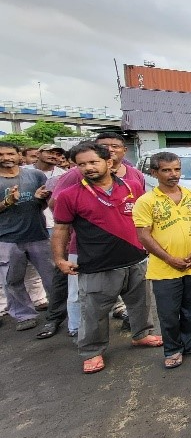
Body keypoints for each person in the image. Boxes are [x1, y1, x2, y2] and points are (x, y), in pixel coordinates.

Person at [52, 143, 162, 374]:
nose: (88, 168)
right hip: (97, 264)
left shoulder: (132, 187)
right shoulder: (69, 195)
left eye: (93, 162)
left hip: (136, 258)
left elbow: (146, 220)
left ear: (108, 163)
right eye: (82, 164)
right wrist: (60, 259)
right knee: (94, 311)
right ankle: (92, 351)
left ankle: (141, 334)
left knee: (141, 302)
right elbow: (61, 229)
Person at [133, 152, 191, 369]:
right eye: (166, 170)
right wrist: (169, 258)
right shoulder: (146, 201)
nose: (173, 174)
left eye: (177, 169)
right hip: (164, 269)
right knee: (169, 312)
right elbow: (144, 236)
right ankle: (173, 350)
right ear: (154, 172)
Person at [0, 142, 53, 331]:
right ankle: (24, 315)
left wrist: (40, 199)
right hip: (6, 239)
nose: (6, 158)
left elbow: (44, 204)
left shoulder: (35, 175)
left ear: (19, 156)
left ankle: (59, 311)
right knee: (12, 280)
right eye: (1, 154)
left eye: (10, 154)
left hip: (38, 234)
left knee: (52, 277)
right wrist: (7, 202)